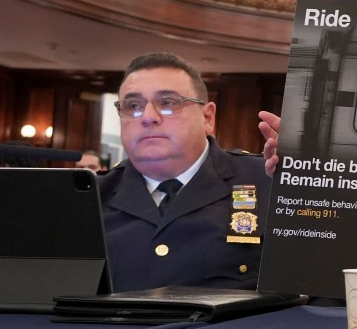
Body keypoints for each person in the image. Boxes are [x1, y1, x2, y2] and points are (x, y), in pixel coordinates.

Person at [98, 52, 269, 292]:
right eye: (133, 106)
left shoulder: (268, 181)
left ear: (207, 117)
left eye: (168, 103)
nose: (148, 117)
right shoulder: (92, 198)